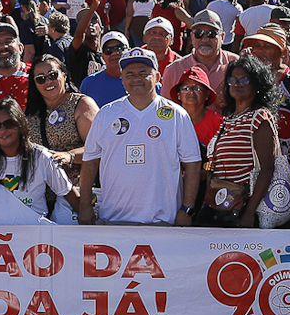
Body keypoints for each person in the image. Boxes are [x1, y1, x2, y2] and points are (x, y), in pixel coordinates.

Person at [78, 48, 200, 226]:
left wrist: (186, 209)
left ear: (157, 77)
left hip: (163, 220)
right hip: (114, 219)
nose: (136, 78)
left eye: (144, 73)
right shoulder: (106, 113)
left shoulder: (176, 114)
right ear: (122, 79)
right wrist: (85, 205)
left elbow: (193, 165)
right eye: (129, 74)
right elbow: (90, 161)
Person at [201, 54, 283, 228]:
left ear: (257, 85)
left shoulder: (259, 118)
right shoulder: (229, 119)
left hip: (243, 210)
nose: (237, 84)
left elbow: (267, 169)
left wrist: (249, 212)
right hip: (222, 205)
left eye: (244, 80)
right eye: (232, 79)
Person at [0, 98, 79, 222]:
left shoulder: (41, 156)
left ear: (20, 124)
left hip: (35, 231)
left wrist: (89, 222)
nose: (2, 131)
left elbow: (66, 191)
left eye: (9, 124)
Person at [23, 53, 97, 180]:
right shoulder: (29, 111)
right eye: (41, 79)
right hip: (39, 192)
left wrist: (70, 156)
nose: (48, 81)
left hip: (75, 189)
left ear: (64, 75)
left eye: (53, 75)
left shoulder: (82, 105)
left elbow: (99, 147)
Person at [160, 10, 238, 111]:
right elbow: (166, 110)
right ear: (192, 37)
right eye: (199, 33)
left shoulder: (237, 64)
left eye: (211, 34)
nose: (205, 39)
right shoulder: (173, 70)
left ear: (222, 37)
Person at [170, 65, 222, 154]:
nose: (191, 92)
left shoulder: (218, 122)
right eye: (185, 88)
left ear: (207, 95)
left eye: (197, 89)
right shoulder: (169, 121)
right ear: (178, 95)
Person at [78, 31, 128, 107]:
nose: (114, 53)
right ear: (102, 57)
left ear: (129, 51)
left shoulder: (140, 79)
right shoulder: (89, 83)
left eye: (119, 48)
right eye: (108, 50)